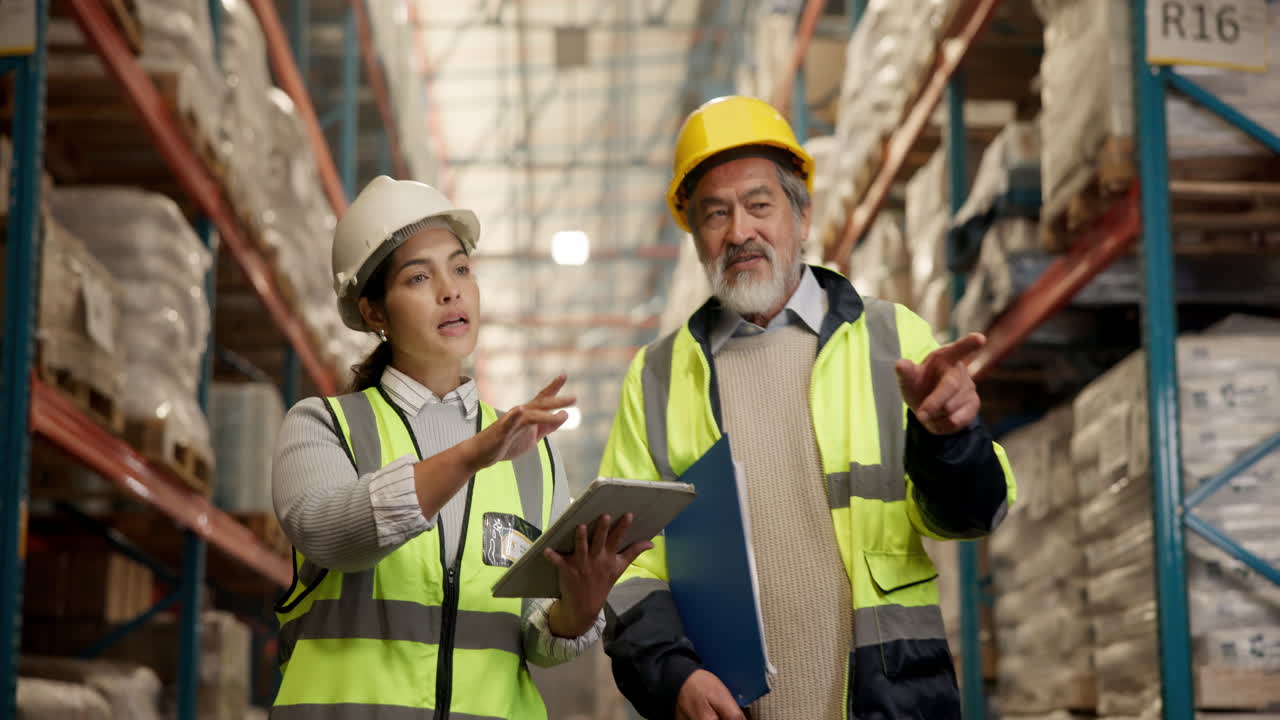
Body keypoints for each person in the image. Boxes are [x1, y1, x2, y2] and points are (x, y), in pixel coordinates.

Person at [599, 96, 1018, 720]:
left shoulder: (892, 340)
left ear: (802, 215)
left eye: (759, 205)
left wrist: (949, 438)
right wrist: (675, 676)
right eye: (715, 213)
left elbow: (973, 516)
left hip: (891, 699)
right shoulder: (657, 378)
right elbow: (627, 563)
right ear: (694, 236)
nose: (740, 231)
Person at [270, 176, 652, 719]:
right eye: (419, 276)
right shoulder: (323, 427)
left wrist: (581, 601)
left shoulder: (534, 456)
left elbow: (539, 640)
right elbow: (333, 534)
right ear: (374, 312)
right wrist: (475, 453)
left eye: (461, 268)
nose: (450, 290)